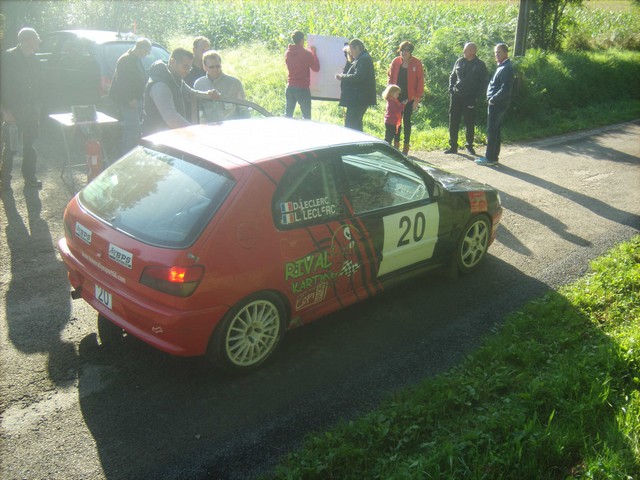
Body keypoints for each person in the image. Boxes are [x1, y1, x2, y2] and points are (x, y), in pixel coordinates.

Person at [1, 28, 43, 191]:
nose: (39, 40)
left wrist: (38, 108)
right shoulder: (7, 58)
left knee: (30, 146)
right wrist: (5, 112)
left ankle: (30, 178)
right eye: (37, 37)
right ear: (27, 40)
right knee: (11, 147)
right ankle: (4, 180)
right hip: (13, 110)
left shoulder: (35, 60)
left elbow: (39, 86)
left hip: (31, 110)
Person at [142, 47, 220, 136]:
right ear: (172, 62)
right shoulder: (160, 84)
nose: (187, 72)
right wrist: (194, 132)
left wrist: (208, 94)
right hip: (156, 139)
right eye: (185, 66)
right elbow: (171, 117)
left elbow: (191, 93)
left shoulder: (175, 78)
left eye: (189, 68)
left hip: (170, 136)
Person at [109, 37, 152, 156]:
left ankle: (130, 152)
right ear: (140, 48)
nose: (146, 55)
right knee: (133, 128)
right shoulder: (125, 60)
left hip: (137, 99)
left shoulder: (136, 59)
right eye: (146, 52)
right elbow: (122, 82)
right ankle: (127, 155)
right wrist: (130, 100)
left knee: (135, 129)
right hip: (127, 101)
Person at [445, 42, 487, 156]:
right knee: (453, 121)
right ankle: (453, 146)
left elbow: (484, 82)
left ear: (473, 51)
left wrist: (477, 96)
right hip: (456, 97)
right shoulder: (459, 61)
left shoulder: (480, 65)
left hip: (470, 98)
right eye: (464, 49)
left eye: (466, 50)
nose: (464, 51)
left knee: (469, 122)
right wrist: (451, 89)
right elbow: (452, 76)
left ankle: (469, 146)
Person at [476, 43, 514, 166]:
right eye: (495, 53)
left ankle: (489, 158)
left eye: (499, 52)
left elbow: (506, 88)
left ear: (506, 53)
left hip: (497, 104)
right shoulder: (502, 66)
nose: (496, 55)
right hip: (497, 103)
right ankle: (493, 157)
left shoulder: (506, 68)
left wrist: (493, 99)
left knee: (492, 131)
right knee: (495, 130)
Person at [387, 41, 424, 155]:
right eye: (402, 50)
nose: (404, 52)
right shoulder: (396, 61)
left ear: (411, 52)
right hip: (396, 97)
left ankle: (406, 146)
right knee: (396, 121)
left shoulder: (416, 63)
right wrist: (389, 95)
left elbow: (420, 82)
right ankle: (396, 144)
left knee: (406, 121)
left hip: (409, 98)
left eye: (406, 50)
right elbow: (390, 78)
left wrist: (416, 99)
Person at [335, 38, 376, 132]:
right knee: (355, 124)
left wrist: (343, 77)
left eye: (351, 50)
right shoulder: (362, 58)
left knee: (351, 124)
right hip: (358, 98)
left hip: (359, 99)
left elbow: (359, 77)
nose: (351, 53)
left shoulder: (364, 59)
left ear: (357, 47)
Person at [194, 50, 247, 122]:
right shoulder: (199, 84)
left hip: (231, 127)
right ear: (205, 67)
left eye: (217, 66)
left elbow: (243, 109)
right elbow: (198, 111)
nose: (215, 69)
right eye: (211, 67)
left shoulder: (234, 83)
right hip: (209, 128)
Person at [284, 30, 320, 119]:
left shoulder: (287, 53)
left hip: (290, 87)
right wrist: (314, 54)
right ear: (301, 40)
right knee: (306, 117)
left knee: (288, 115)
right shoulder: (307, 54)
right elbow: (316, 68)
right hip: (302, 88)